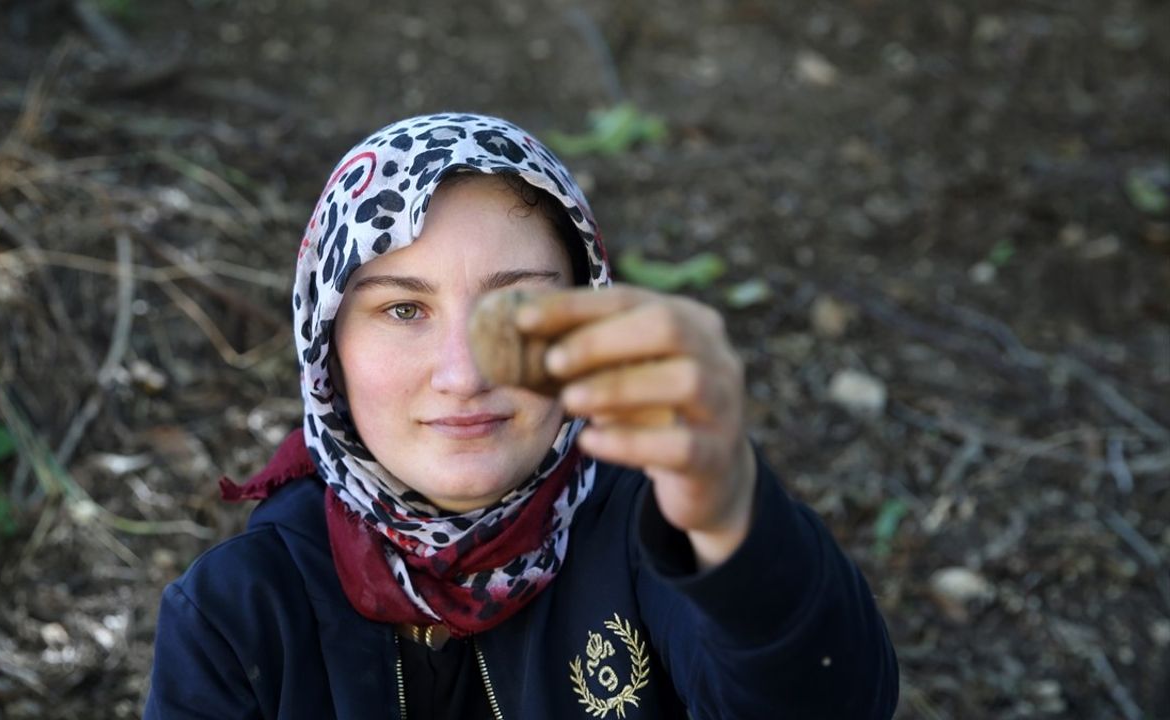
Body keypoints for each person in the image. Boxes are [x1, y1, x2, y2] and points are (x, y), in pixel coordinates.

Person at [145, 113, 898, 719]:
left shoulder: (654, 538)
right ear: (327, 349)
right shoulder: (237, 615)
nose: (464, 374)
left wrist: (737, 520)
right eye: (404, 309)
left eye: (516, 309)